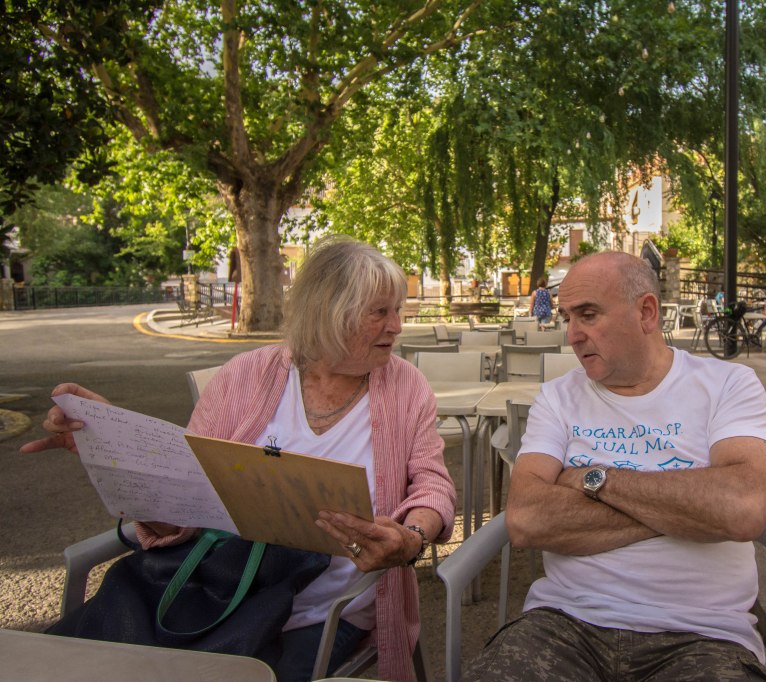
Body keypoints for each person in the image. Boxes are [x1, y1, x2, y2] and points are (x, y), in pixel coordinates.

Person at [21, 237, 457, 682]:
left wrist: (411, 537)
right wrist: (115, 445)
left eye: (398, 310)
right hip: (214, 593)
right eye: (379, 312)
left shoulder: (407, 387)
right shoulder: (244, 376)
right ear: (328, 311)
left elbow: (433, 484)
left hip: (328, 609)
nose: (396, 326)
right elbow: (185, 507)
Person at [463, 251, 766, 681]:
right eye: (567, 318)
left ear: (646, 312)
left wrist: (595, 480)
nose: (573, 335)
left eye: (588, 315)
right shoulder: (557, 398)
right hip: (565, 623)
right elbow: (526, 519)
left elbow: (742, 508)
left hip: (703, 636)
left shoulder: (728, 385)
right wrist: (690, 510)